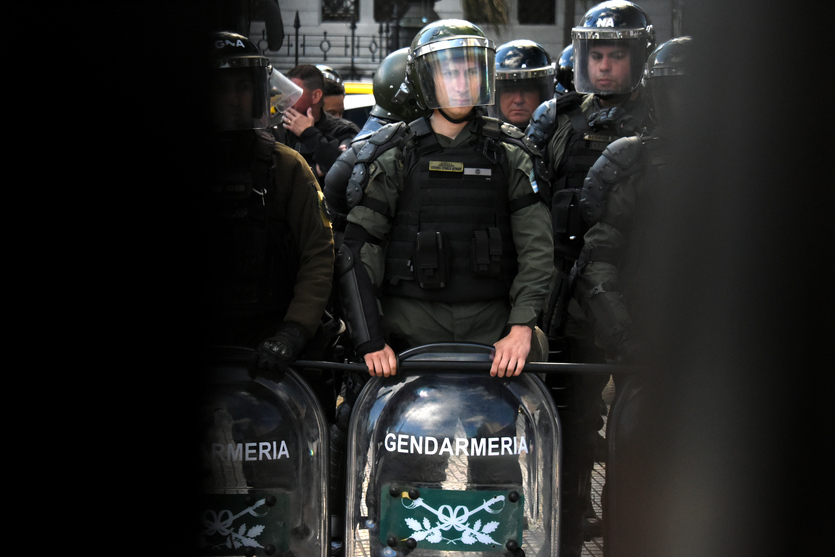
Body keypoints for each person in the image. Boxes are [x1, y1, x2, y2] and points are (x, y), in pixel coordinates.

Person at [335, 19, 555, 379]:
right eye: (449, 72)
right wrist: (370, 339)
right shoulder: (393, 155)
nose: (461, 83)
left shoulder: (511, 153)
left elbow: (537, 249)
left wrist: (521, 328)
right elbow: (359, 251)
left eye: (471, 71)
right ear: (426, 79)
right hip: (407, 335)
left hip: (494, 334)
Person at [524, 2, 657, 555]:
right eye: (595, 55)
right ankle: (569, 527)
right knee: (569, 423)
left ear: (639, 57)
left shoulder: (659, 119)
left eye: (616, 56)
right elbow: (528, 203)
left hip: (634, 294)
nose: (604, 66)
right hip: (567, 295)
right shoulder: (557, 118)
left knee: (644, 421)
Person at [573, 36, 692, 553]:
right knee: (637, 460)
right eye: (680, 90)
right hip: (644, 346)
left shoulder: (746, 164)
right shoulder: (634, 161)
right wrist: (623, 336)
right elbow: (597, 260)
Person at [203, 31, 335, 376]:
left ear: (259, 92)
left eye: (243, 86)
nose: (234, 99)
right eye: (221, 87)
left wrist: (294, 332)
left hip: (274, 345)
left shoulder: (286, 167)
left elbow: (318, 254)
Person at [278, 64, 359, 184]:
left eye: (294, 93)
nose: (288, 100)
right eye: (331, 113)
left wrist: (309, 134)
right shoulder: (278, 129)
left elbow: (345, 169)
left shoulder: (344, 130)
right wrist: (315, 171)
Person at [489, 39, 556, 130]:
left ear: (542, 93)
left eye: (527, 89)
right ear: (496, 96)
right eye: (509, 90)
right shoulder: (479, 134)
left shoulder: (563, 134)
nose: (518, 100)